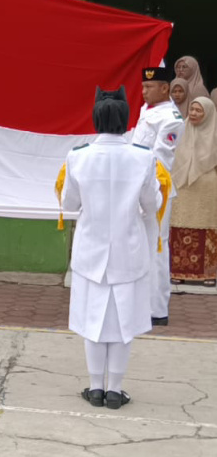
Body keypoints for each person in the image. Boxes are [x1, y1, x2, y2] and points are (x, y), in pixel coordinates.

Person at [58, 86, 167, 411]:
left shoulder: (78, 156)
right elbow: (151, 204)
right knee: (123, 323)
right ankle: (115, 389)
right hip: (128, 251)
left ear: (96, 118)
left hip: (91, 253)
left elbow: (70, 203)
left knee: (93, 319)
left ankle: (95, 387)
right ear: (125, 119)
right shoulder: (143, 158)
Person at [131, 67, 184, 326]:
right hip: (138, 185)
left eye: (148, 88)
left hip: (157, 188)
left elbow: (161, 159)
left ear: (164, 88)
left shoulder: (172, 119)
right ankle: (141, 303)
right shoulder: (148, 110)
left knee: (157, 248)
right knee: (141, 246)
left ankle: (157, 309)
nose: (143, 92)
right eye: (142, 87)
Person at [170, 97, 217, 287]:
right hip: (182, 186)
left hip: (206, 187)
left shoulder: (214, 134)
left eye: (199, 111)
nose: (194, 114)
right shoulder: (181, 131)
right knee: (180, 226)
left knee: (207, 227)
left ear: (208, 113)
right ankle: (178, 271)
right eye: (192, 109)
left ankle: (208, 274)